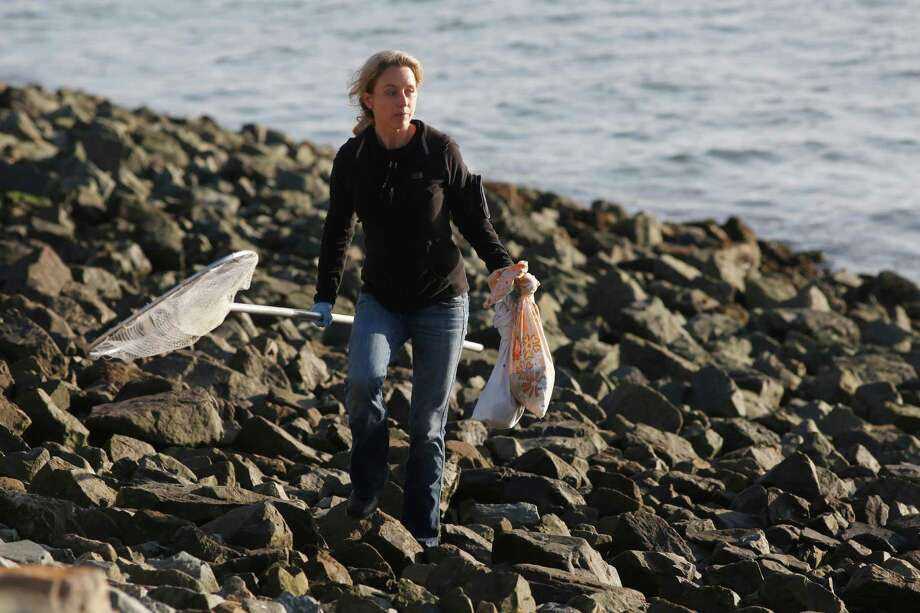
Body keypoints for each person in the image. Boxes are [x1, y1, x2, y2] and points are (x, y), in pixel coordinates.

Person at [312, 50, 517, 547]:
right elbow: (339, 227)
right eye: (391, 91)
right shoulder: (353, 157)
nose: (403, 100)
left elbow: (473, 219)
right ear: (368, 98)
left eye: (410, 91)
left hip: (442, 302)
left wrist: (506, 268)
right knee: (362, 385)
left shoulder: (439, 149)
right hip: (379, 297)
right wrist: (325, 294)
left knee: (427, 422)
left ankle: (424, 530)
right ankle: (367, 488)